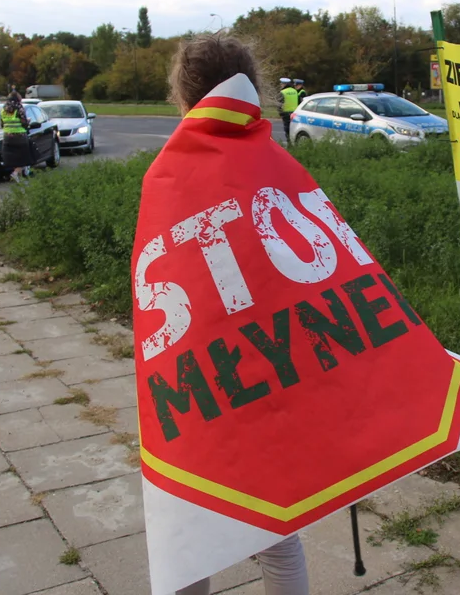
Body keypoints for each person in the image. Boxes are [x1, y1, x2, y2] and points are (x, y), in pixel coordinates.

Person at [161, 36, 310, 595]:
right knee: (277, 530)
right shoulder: (280, 164)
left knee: (186, 531)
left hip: (197, 377)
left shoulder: (169, 174)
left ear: (183, 95)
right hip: (269, 374)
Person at [0, 92, 32, 182]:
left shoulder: (3, 109)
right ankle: (15, 173)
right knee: (23, 157)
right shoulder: (19, 107)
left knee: (13, 157)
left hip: (7, 136)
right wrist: (28, 121)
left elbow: (2, 124)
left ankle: (19, 177)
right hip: (20, 136)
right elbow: (24, 122)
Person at [278, 77, 300, 144]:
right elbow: (299, 102)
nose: (281, 85)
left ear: (284, 84)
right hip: (295, 113)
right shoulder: (295, 91)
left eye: (281, 84)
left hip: (286, 113)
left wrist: (280, 113)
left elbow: (279, 104)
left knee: (287, 129)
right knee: (294, 129)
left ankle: (289, 144)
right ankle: (294, 144)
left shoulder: (282, 92)